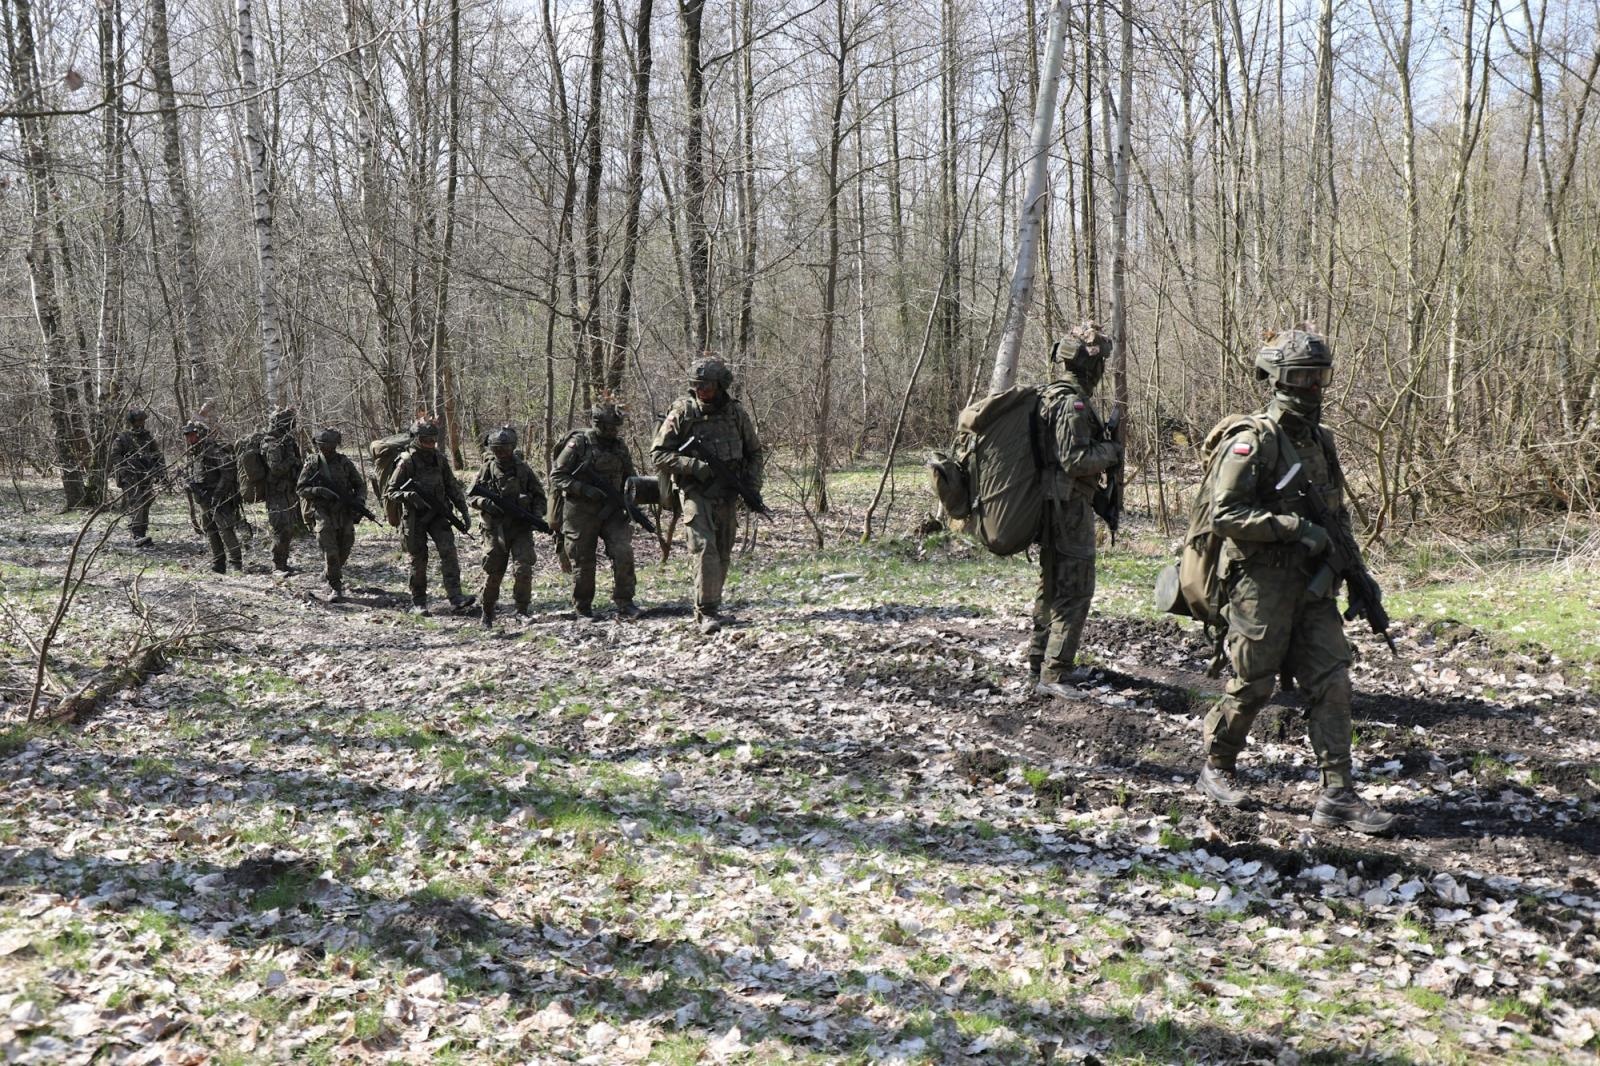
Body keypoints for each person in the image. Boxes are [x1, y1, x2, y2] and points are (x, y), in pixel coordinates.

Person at [1195, 326, 1395, 834]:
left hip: (1314, 584)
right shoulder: (1253, 439)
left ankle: (1337, 793)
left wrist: (1353, 569)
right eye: (1301, 376)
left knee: (1332, 680)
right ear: (1278, 378)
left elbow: (1335, 513)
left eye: (1319, 376)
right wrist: (1293, 528)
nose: (1312, 386)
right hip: (1259, 583)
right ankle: (1217, 766)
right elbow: (1225, 514)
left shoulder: (1320, 439)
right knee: (1253, 682)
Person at [1030, 323, 1122, 698]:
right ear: (1091, 367)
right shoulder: (1072, 403)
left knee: (1052, 585)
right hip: (1067, 508)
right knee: (1076, 588)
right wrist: (1112, 452)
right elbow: (1074, 459)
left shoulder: (1052, 395)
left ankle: (1040, 662)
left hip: (1057, 505)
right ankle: (1055, 673)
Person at [651, 357, 764, 634]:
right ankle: (706, 613)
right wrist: (694, 466)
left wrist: (751, 487)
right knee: (705, 550)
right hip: (695, 492)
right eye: (697, 386)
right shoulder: (682, 412)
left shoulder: (736, 414)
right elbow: (659, 455)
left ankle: (712, 604)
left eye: (708, 386)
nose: (702, 391)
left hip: (727, 493)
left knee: (723, 551)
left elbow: (754, 453)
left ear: (721, 386)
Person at [551, 401, 639, 620]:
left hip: (612, 510)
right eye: (610, 426)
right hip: (580, 511)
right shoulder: (579, 443)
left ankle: (625, 601)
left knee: (623, 552)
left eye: (616, 427)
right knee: (583, 559)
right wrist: (583, 489)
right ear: (598, 424)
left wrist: (631, 499)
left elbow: (630, 476)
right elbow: (557, 476)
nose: (613, 431)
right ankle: (583, 606)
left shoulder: (619, 446)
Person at [386, 419, 475, 616]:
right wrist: (409, 496)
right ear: (416, 439)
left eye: (433, 440)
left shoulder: (439, 459)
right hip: (415, 518)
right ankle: (418, 602)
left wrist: (464, 511)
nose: (430, 444)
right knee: (418, 559)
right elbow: (390, 492)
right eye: (426, 439)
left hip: (439, 515)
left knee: (449, 553)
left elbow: (452, 486)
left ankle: (456, 597)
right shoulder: (406, 461)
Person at [468, 426, 547, 627]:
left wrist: (535, 515)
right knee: (494, 572)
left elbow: (540, 497)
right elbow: (471, 497)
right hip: (495, 529)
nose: (501, 453)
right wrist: (487, 504)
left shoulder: (523, 469)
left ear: (513, 447)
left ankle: (521, 610)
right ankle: (487, 612)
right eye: (497, 449)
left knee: (523, 569)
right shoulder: (487, 469)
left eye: (505, 448)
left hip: (521, 527)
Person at [295, 428, 366, 602]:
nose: (327, 450)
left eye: (330, 446)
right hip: (322, 511)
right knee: (330, 550)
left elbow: (360, 485)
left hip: (343, 511)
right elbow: (300, 489)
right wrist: (318, 491)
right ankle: (335, 587)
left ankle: (330, 572)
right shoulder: (312, 463)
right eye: (323, 446)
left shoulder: (344, 462)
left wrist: (359, 501)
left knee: (345, 545)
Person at [181, 420, 243, 574]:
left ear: (200, 434)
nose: (189, 438)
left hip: (218, 499)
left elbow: (228, 470)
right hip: (203, 500)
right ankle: (218, 564)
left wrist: (218, 494)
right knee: (210, 530)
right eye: (187, 435)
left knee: (225, 530)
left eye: (192, 434)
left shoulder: (212, 450)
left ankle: (236, 564)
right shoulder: (196, 452)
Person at [261, 407, 307, 574]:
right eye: (289, 423)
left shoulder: (286, 441)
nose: (292, 426)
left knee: (288, 528)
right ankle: (277, 565)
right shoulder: (272, 442)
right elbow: (276, 469)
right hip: (276, 493)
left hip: (287, 492)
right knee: (281, 528)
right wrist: (292, 460)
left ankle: (283, 563)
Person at [111, 408, 165, 547]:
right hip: (130, 476)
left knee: (146, 501)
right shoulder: (122, 438)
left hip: (146, 474)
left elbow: (157, 454)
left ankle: (143, 531)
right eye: (138, 420)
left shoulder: (147, 437)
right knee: (136, 503)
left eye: (143, 420)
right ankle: (137, 534)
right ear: (132, 422)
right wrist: (128, 466)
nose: (141, 423)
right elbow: (115, 456)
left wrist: (160, 471)